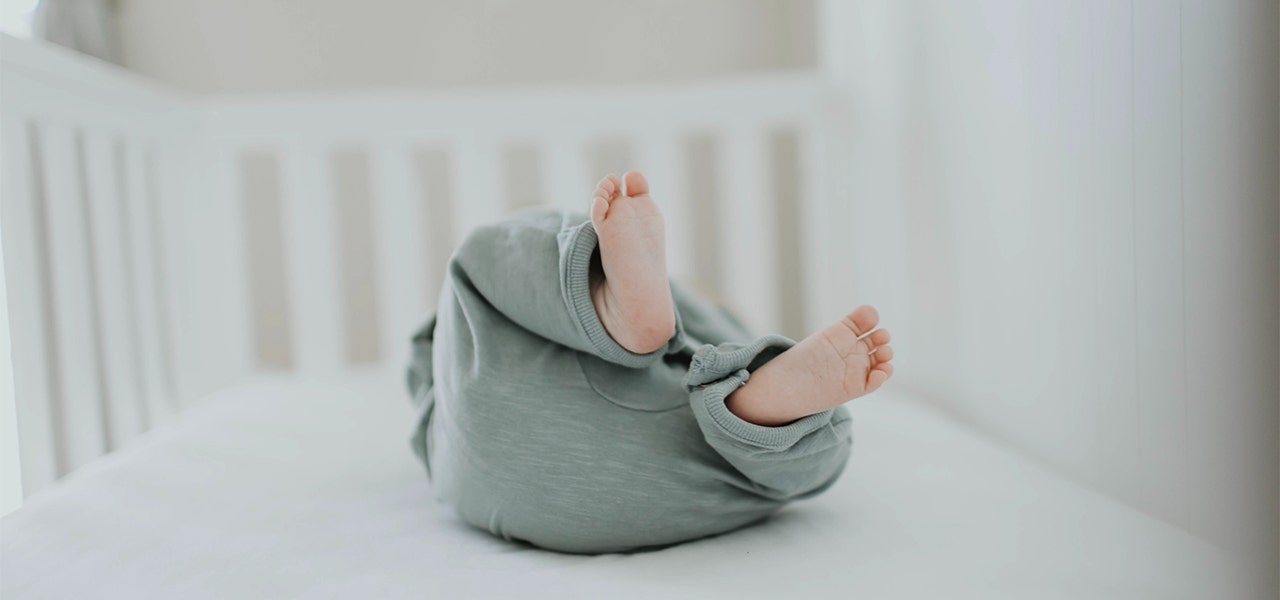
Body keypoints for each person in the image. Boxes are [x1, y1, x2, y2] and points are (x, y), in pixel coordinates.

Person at [406, 171, 894, 554]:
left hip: (499, 475)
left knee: (486, 251)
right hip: (670, 475)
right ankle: (753, 417)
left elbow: (423, 374)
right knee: (821, 442)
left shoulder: (473, 336)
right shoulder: (718, 332)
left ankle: (603, 303)